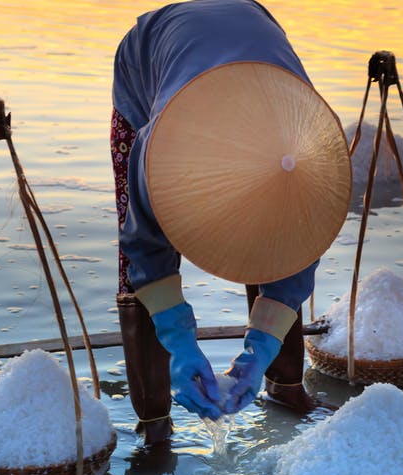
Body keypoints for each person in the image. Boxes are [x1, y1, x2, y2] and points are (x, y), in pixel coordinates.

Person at [109, 0, 352, 445]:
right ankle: (154, 425)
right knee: (141, 258)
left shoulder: (311, 163)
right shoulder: (157, 149)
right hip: (150, 60)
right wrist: (180, 346)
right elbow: (142, 247)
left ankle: (284, 387)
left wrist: (259, 352)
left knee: (278, 232)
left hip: (259, 57)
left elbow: (297, 257)